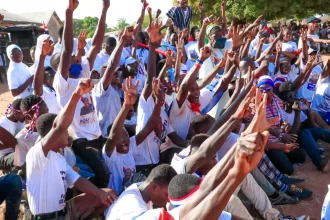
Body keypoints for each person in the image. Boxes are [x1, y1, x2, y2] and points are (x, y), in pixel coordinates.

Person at [27, 77, 118, 219]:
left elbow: (78, 181)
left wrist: (101, 194)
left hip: (64, 212)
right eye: (66, 130)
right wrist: (76, 95)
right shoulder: (39, 153)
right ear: (53, 134)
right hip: (46, 217)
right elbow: (59, 126)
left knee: (108, 194)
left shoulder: (59, 158)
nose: (68, 133)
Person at [52, 0, 111, 188]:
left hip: (96, 133)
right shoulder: (62, 84)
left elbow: (96, 45)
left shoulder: (83, 71)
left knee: (110, 164)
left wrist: (104, 9)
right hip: (80, 138)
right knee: (103, 173)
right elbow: (66, 50)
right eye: (71, 60)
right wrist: (69, 14)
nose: (77, 58)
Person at [135, 18, 186, 176]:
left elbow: (174, 136)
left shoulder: (163, 111)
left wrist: (193, 145)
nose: (162, 87)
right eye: (160, 85)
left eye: (164, 86)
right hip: (140, 164)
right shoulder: (146, 102)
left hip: (156, 161)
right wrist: (152, 46)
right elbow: (151, 78)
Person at [103, 76, 163, 195]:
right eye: (120, 138)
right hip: (117, 199)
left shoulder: (130, 146)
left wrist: (158, 101)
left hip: (132, 195)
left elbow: (150, 126)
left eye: (125, 136)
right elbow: (114, 134)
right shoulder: (111, 155)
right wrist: (126, 105)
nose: (124, 140)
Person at [278, 81, 330, 172]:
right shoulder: (281, 114)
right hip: (291, 143)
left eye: (295, 96)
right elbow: (292, 134)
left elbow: (310, 124)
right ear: (284, 102)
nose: (295, 99)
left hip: (301, 137)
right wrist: (297, 114)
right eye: (291, 98)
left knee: (315, 130)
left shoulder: (295, 109)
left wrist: (307, 109)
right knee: (304, 132)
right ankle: (319, 162)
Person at [93, 27, 132, 136]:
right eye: (114, 74)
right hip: (105, 135)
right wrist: (122, 41)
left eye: (117, 73)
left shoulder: (115, 91)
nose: (117, 75)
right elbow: (111, 66)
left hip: (117, 134)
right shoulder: (100, 89)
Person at [104, 164, 177, 219]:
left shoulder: (142, 187)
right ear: (154, 187)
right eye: (166, 195)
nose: (168, 200)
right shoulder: (133, 205)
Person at [14, 95, 49, 168]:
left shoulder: (52, 126)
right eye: (42, 114)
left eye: (47, 111)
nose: (46, 116)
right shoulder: (22, 138)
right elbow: (22, 165)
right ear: (28, 117)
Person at [33, 35, 61, 114]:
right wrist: (43, 56)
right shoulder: (39, 62)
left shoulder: (57, 56)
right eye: (47, 44)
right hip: (45, 93)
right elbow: (37, 84)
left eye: (51, 43)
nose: (50, 46)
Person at [0, 99, 25, 171]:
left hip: (17, 151)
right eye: (23, 114)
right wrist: (12, 143)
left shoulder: (22, 121)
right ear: (16, 113)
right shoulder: (3, 124)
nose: (25, 116)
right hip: (4, 156)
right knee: (22, 157)